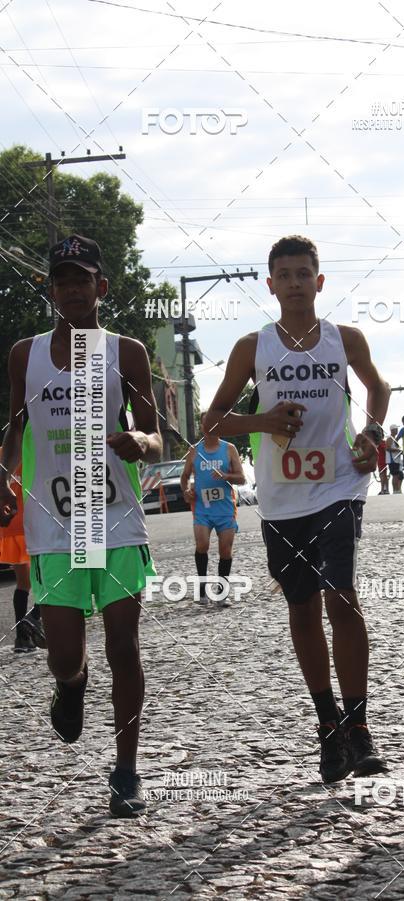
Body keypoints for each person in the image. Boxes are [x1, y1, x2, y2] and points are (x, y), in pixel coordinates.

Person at [204, 234, 391, 784]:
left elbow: (378, 388)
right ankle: (327, 725)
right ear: (270, 285)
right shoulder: (252, 347)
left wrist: (372, 433)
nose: (293, 283)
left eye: (302, 273)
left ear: (319, 281)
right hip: (282, 501)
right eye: (283, 275)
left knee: (342, 596)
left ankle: (359, 728)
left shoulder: (345, 339)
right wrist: (262, 421)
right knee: (303, 607)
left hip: (338, 488)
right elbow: (210, 422)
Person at [0, 234, 161, 817]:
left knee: (124, 643)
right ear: (51, 290)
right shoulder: (26, 353)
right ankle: (71, 686)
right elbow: (16, 425)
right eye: (62, 281)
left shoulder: (128, 352)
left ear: (101, 287)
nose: (72, 289)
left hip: (115, 519)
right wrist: (4, 474)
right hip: (54, 524)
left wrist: (138, 441)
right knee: (64, 653)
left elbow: (155, 433)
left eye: (82, 279)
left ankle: (126, 770)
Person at [180, 412, 246, 606]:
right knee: (202, 545)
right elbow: (184, 476)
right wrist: (185, 491)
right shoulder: (194, 450)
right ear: (202, 427)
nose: (211, 428)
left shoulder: (229, 449)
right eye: (207, 424)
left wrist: (226, 475)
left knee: (225, 550)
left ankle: (221, 593)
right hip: (202, 508)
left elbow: (241, 478)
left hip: (225, 508)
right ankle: (202, 590)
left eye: (215, 424)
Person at [0, 456, 44, 652]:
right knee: (49, 578)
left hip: (10, 527)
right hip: (34, 524)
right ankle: (33, 617)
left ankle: (21, 638)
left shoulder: (3, 453)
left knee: (23, 583)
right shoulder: (30, 451)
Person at [386, 425, 404, 494]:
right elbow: (387, 448)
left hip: (397, 460)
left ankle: (397, 489)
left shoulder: (394, 439)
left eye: (397, 429)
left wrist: (400, 451)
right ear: (392, 430)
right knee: (395, 475)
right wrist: (398, 450)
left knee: (399, 475)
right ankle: (395, 490)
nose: (397, 430)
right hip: (392, 460)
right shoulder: (390, 438)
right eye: (395, 429)